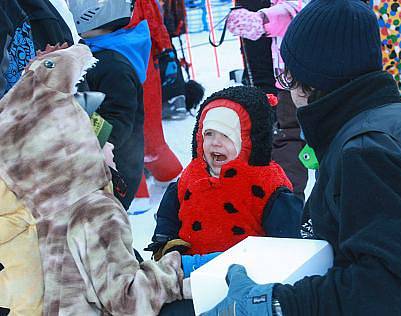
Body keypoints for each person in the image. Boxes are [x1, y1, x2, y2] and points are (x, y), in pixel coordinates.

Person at [203, 0, 401, 315]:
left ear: (314, 83)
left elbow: (391, 285)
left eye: (287, 77)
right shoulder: (399, 118)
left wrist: (278, 304)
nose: (285, 89)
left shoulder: (365, 154)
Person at [0, 43, 184, 315]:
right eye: (95, 138)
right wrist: (173, 271)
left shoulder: (33, 212)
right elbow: (127, 301)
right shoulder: (94, 210)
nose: (111, 145)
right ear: (77, 151)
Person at [146, 86, 303, 273]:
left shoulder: (268, 184)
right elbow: (168, 215)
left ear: (249, 140)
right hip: (190, 275)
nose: (215, 142)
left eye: (226, 135)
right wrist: (165, 242)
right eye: (209, 133)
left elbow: (286, 242)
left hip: (245, 278)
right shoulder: (191, 176)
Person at [68, 0, 150, 209]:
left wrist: (98, 144)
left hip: (114, 169)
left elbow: (119, 117)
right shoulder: (99, 53)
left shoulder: (112, 65)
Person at [227, 0, 309, 200]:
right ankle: (288, 205)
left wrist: (262, 19)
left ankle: (333, 208)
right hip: (284, 80)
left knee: (328, 142)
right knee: (287, 138)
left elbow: (298, 9)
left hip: (315, 77)